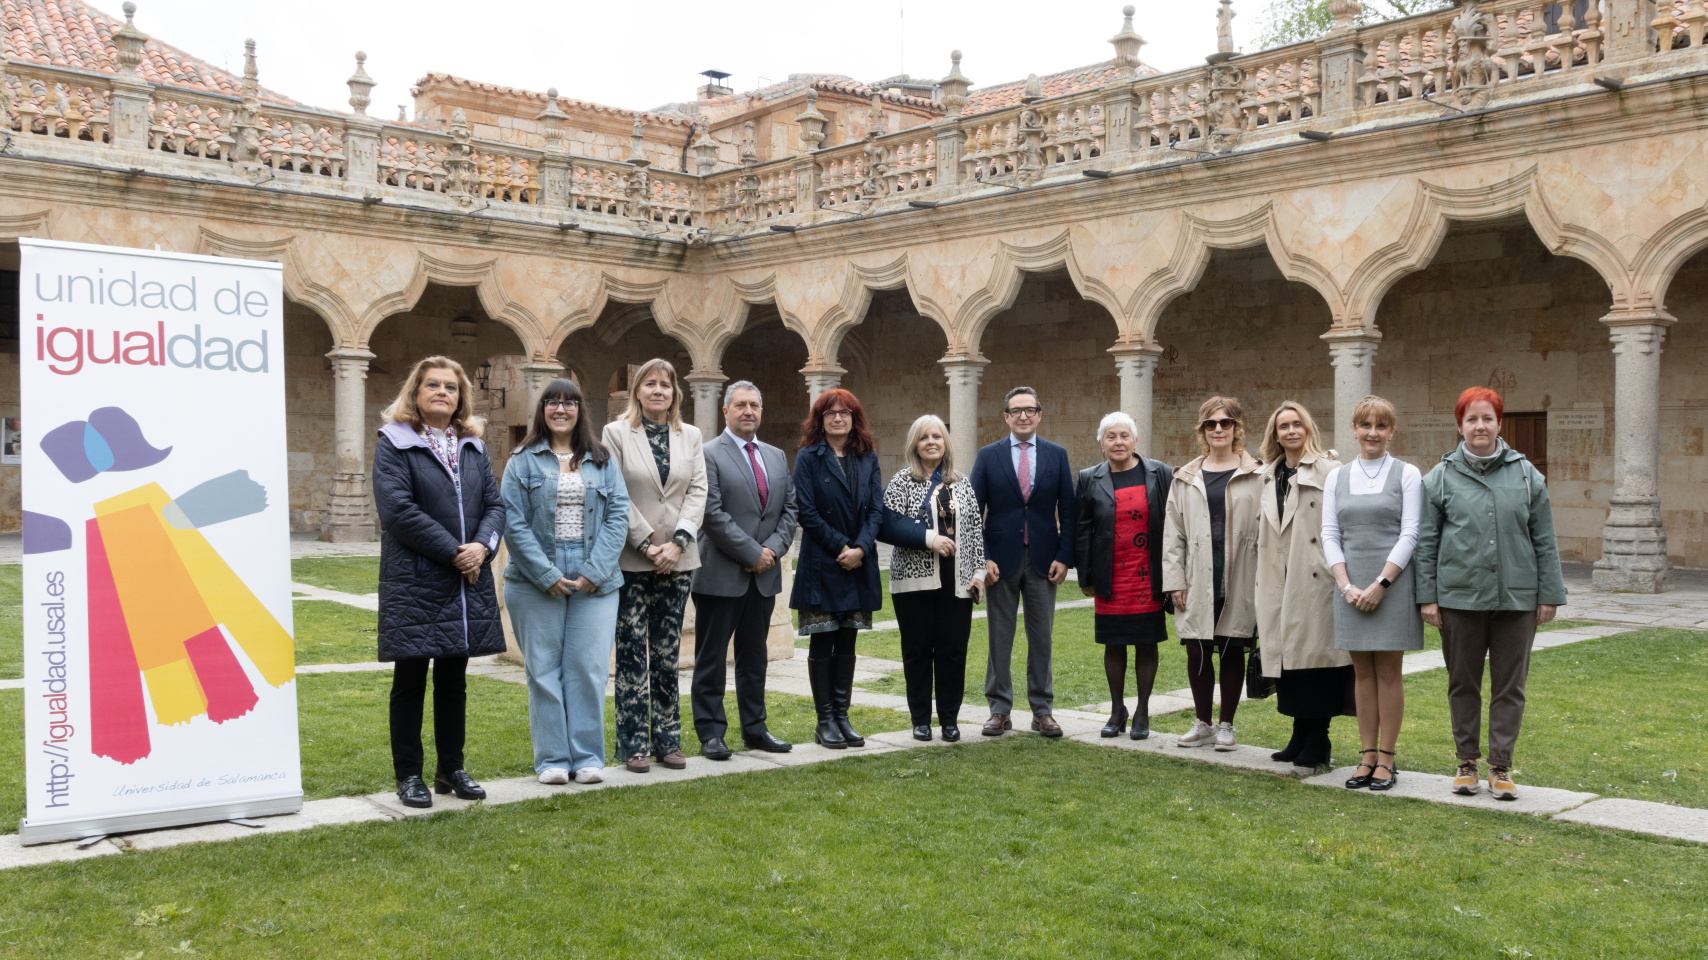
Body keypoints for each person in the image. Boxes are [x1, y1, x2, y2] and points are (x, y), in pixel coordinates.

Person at [1416, 386, 1566, 800]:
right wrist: (1427, 596)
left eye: (1487, 418)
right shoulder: (1440, 476)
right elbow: (1426, 542)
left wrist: (1549, 592)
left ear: (1499, 423)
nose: (1479, 426)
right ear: (1459, 425)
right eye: (1471, 419)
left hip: (1517, 598)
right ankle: (1466, 762)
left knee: (1510, 685)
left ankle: (1501, 767)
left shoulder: (1525, 474)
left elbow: (1544, 538)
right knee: (1462, 681)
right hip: (1459, 599)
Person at [372, 356, 504, 809]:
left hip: (465, 578)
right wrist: (456, 551)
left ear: (461, 397)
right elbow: (397, 511)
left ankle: (451, 767)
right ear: (416, 392)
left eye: (451, 386)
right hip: (416, 578)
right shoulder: (395, 442)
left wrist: (483, 546)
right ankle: (408, 774)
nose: (442, 392)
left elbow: (495, 505)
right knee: (410, 678)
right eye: (433, 385)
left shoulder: (473, 446)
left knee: (454, 678)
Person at [502, 378, 630, 785]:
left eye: (569, 403)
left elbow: (618, 515)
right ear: (542, 411)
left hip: (596, 574)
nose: (561, 409)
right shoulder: (521, 460)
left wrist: (595, 571)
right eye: (552, 403)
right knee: (542, 670)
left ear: (580, 411)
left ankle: (588, 757)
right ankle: (553, 760)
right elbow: (512, 520)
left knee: (588, 668)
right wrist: (546, 574)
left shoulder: (602, 459)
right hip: (534, 573)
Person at [601, 359, 707, 773]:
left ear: (675, 392)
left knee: (667, 651)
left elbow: (697, 490)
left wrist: (678, 543)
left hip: (679, 561)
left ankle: (668, 740)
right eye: (650, 383)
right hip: (632, 558)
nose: (658, 390)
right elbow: (613, 491)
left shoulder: (691, 436)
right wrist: (647, 544)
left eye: (665, 384)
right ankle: (633, 744)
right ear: (637, 391)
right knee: (631, 652)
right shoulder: (616, 434)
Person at [691, 381, 798, 758]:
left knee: (755, 658)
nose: (748, 411)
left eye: (754, 404)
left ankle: (755, 729)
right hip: (721, 575)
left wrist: (770, 550)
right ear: (725, 411)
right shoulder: (707, 454)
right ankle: (711, 733)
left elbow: (789, 511)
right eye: (740, 405)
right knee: (712, 657)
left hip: (764, 577)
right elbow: (712, 514)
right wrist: (752, 552)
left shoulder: (776, 456)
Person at [1324, 395, 1424, 791]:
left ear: (1392, 431)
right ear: (1354, 429)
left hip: (1391, 584)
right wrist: (1346, 585)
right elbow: (1330, 533)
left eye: (1381, 426)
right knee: (1361, 673)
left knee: (1388, 672)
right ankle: (1366, 756)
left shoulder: (1408, 474)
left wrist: (1381, 584)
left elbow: (1411, 533)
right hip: (1348, 585)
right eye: (1366, 425)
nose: (1372, 433)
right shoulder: (1338, 476)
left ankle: (1387, 758)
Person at [969, 386, 1076, 738]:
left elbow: (1069, 511)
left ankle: (1042, 710)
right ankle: (999, 709)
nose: (1023, 416)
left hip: (1045, 561)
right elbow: (973, 512)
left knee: (1041, 637)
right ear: (1006, 417)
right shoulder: (988, 456)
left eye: (1030, 410)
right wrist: (982, 557)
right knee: (1000, 636)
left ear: (1040, 414)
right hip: (1000, 561)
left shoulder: (1057, 455)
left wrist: (1064, 556)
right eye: (1016, 411)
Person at [880, 415, 986, 743]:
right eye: (924, 437)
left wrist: (979, 573)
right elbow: (888, 525)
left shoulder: (961, 482)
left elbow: (973, 532)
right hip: (914, 582)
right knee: (918, 651)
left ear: (945, 442)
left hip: (957, 582)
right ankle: (921, 720)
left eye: (937, 436)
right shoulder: (901, 481)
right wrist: (930, 538)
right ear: (915, 444)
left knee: (953, 651)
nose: (931, 442)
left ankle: (950, 720)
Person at [1163, 396, 1261, 751]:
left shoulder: (1257, 473)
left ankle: (1227, 725)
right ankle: (1203, 722)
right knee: (1198, 649)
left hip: (1241, 574)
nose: (1218, 429)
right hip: (1197, 574)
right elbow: (1173, 534)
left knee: (1233, 647)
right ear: (1202, 429)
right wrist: (1174, 580)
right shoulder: (1185, 476)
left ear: (1237, 428)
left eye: (1225, 423)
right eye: (1210, 424)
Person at [1254, 401, 1348, 769]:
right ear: (1274, 434)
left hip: (1314, 576)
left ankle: (1318, 738)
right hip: (1277, 575)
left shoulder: (1330, 469)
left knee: (1315, 661)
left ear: (1308, 429)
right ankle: (1299, 732)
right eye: (1283, 427)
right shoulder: (1268, 473)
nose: (1291, 431)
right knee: (1288, 659)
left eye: (1297, 425)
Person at [791, 388, 884, 749]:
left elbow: (876, 509)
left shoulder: (867, 457)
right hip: (823, 563)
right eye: (829, 413)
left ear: (854, 417)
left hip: (858, 562)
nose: (837, 417)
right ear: (820, 419)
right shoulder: (808, 458)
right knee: (823, 639)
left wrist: (860, 547)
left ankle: (843, 717)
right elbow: (806, 512)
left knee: (848, 640)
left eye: (844, 412)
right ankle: (825, 721)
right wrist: (841, 547)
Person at [1075, 412, 1173, 740]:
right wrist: (1086, 576)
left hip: (1148, 574)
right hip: (1110, 576)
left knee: (1146, 643)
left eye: (1124, 436)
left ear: (1135, 440)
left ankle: (1142, 710)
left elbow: (1173, 525)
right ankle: (1117, 710)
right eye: (1111, 437)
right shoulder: (1089, 478)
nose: (1118, 442)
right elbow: (1083, 529)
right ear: (1101, 443)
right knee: (1114, 643)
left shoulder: (1161, 473)